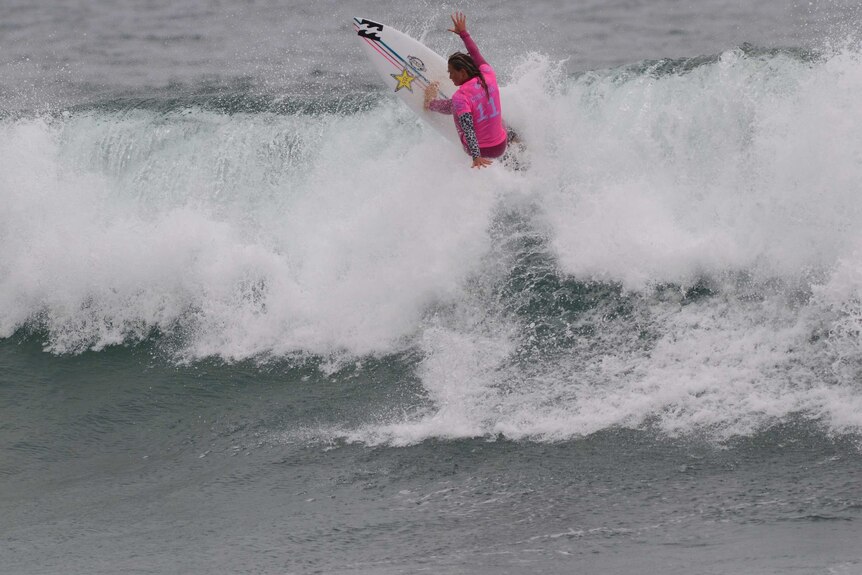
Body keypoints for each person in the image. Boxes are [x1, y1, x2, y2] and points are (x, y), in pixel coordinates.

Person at [424, 12, 507, 169]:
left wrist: (476, 157)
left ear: (462, 72)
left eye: (451, 72)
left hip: (482, 151)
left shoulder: (460, 97)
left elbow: (468, 129)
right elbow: (476, 54)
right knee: (499, 116)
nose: (449, 76)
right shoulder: (488, 74)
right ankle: (514, 139)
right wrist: (463, 33)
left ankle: (431, 103)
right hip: (501, 145)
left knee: (454, 106)